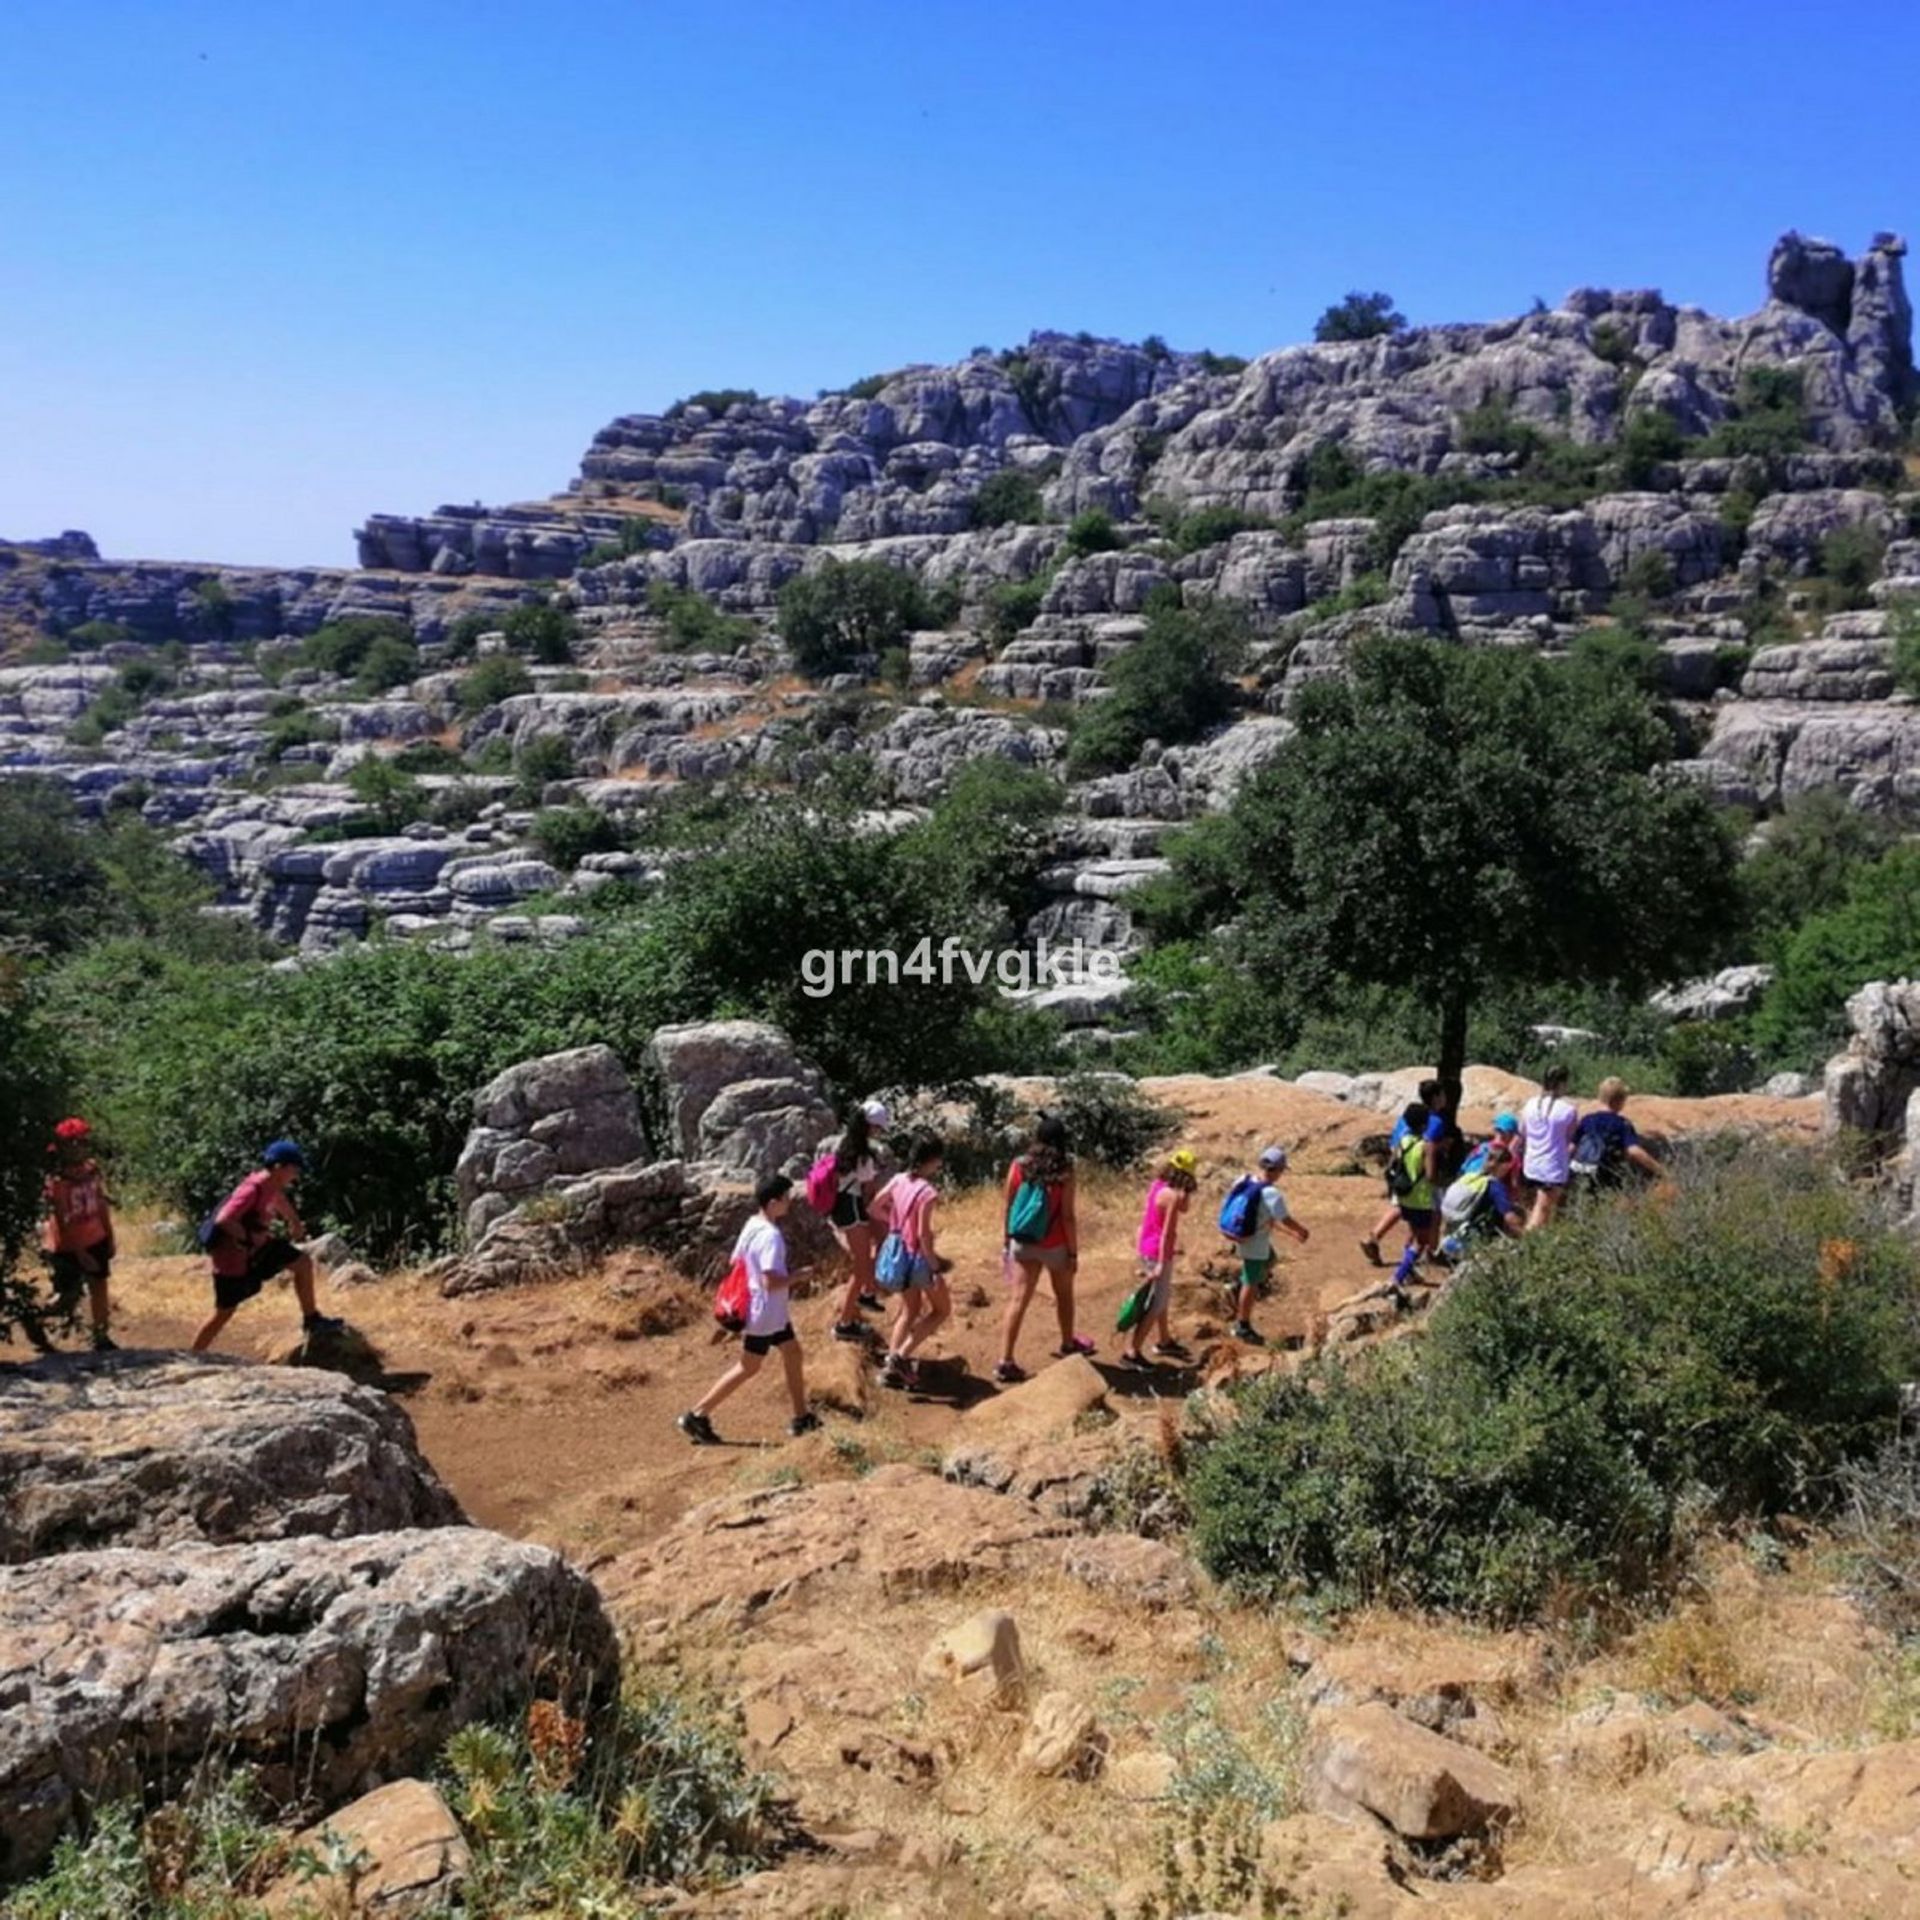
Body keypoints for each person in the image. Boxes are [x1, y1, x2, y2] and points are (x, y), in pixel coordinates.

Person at [679, 1174, 819, 1444]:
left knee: (792, 1352)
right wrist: (799, 1276)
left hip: (768, 1311)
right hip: (765, 1312)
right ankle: (697, 1415)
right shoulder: (771, 1236)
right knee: (749, 1366)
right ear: (773, 1202)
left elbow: (737, 1261)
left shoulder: (752, 1224)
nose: (790, 1202)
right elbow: (770, 1281)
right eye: (786, 1198)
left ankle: (802, 1417)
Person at [191, 1141, 344, 1353]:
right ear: (279, 1167)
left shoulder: (271, 1185)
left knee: (302, 1263)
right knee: (223, 1312)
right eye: (294, 1168)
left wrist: (294, 1222)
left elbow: (279, 1199)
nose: (297, 1174)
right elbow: (224, 1219)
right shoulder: (251, 1189)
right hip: (233, 1258)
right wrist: (247, 1240)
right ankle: (193, 1356)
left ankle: (312, 1319)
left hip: (258, 1248)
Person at [996, 1115, 1088, 1384]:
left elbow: (1008, 1205)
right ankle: (1068, 1344)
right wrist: (1073, 1253)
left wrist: (1006, 1240)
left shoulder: (1019, 1165)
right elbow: (1068, 1216)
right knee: (1064, 1295)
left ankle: (1005, 1360)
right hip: (1054, 1242)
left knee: (1018, 1300)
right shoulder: (1065, 1168)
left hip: (1023, 1240)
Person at [874, 1134, 949, 1390]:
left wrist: (894, 1224)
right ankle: (900, 1357)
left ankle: (890, 1370)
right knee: (941, 1310)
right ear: (932, 1160)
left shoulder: (897, 1180)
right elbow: (922, 1235)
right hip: (917, 1259)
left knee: (910, 1310)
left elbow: (874, 1207)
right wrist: (935, 1267)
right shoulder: (927, 1192)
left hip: (897, 1254)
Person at [39, 1117, 117, 1352]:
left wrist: (109, 1236)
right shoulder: (56, 1180)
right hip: (67, 1246)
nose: (79, 1147)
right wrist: (79, 1252)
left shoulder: (91, 1170)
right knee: (67, 1297)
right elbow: (62, 1220)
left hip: (96, 1237)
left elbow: (101, 1204)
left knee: (99, 1286)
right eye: (72, 1143)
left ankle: (101, 1337)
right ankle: (35, 1319)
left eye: (82, 1141)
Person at [1359, 1078, 1449, 1266]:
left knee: (1400, 1207)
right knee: (1429, 1216)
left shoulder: (1406, 1117)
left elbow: (1395, 1144)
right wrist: (1443, 1147)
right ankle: (1429, 1253)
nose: (1445, 1098)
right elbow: (1429, 1148)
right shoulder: (1434, 1121)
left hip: (1400, 1173)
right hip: (1420, 1176)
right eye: (1442, 1094)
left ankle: (1375, 1237)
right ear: (1435, 1097)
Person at [1122, 1147, 1197, 1370]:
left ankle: (1164, 1340)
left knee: (1160, 1297)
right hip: (1158, 1252)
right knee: (1157, 1303)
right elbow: (1168, 1231)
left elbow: (1183, 1208)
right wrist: (1162, 1263)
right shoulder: (1172, 1196)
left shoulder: (1158, 1186)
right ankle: (1132, 1352)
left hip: (1147, 1247)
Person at [1226, 1145, 1309, 1345]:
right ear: (1278, 1170)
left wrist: (1289, 1233)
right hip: (1254, 1242)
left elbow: (1264, 1217)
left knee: (1271, 1259)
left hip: (1243, 1236)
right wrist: (1301, 1230)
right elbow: (1284, 1218)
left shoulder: (1245, 1180)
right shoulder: (1271, 1193)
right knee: (1252, 1281)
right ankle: (1242, 1326)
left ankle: (1238, 1287)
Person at [824, 1099, 891, 1343]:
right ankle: (845, 1323)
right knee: (862, 1266)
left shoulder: (844, 1144)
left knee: (866, 1258)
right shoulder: (864, 1154)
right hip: (852, 1208)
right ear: (870, 1126)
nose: (879, 1133)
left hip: (843, 1207)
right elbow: (869, 1189)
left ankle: (867, 1293)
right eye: (878, 1128)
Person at [1438, 1141, 1527, 1260]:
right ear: (1504, 1166)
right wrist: (1527, 1237)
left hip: (1451, 1238)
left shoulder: (1470, 1177)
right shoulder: (1495, 1187)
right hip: (1472, 1243)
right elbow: (1509, 1218)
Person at [1571, 1078, 1665, 1188]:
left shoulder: (1587, 1120)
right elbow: (1634, 1151)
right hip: (1607, 1176)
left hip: (1582, 1172)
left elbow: (1571, 1147)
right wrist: (1660, 1170)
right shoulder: (1621, 1124)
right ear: (1619, 1101)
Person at [1518, 1065, 1580, 1231]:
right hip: (1552, 1169)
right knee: (1542, 1214)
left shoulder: (1529, 1105)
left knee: (1533, 1211)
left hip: (1530, 1166)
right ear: (1562, 1083)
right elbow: (1570, 1139)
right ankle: (1524, 1249)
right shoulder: (1568, 1110)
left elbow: (1523, 1133)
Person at [1461, 1112, 1520, 1178]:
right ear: (1510, 1134)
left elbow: (1464, 1167)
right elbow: (1514, 1184)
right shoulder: (1510, 1157)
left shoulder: (1481, 1147)